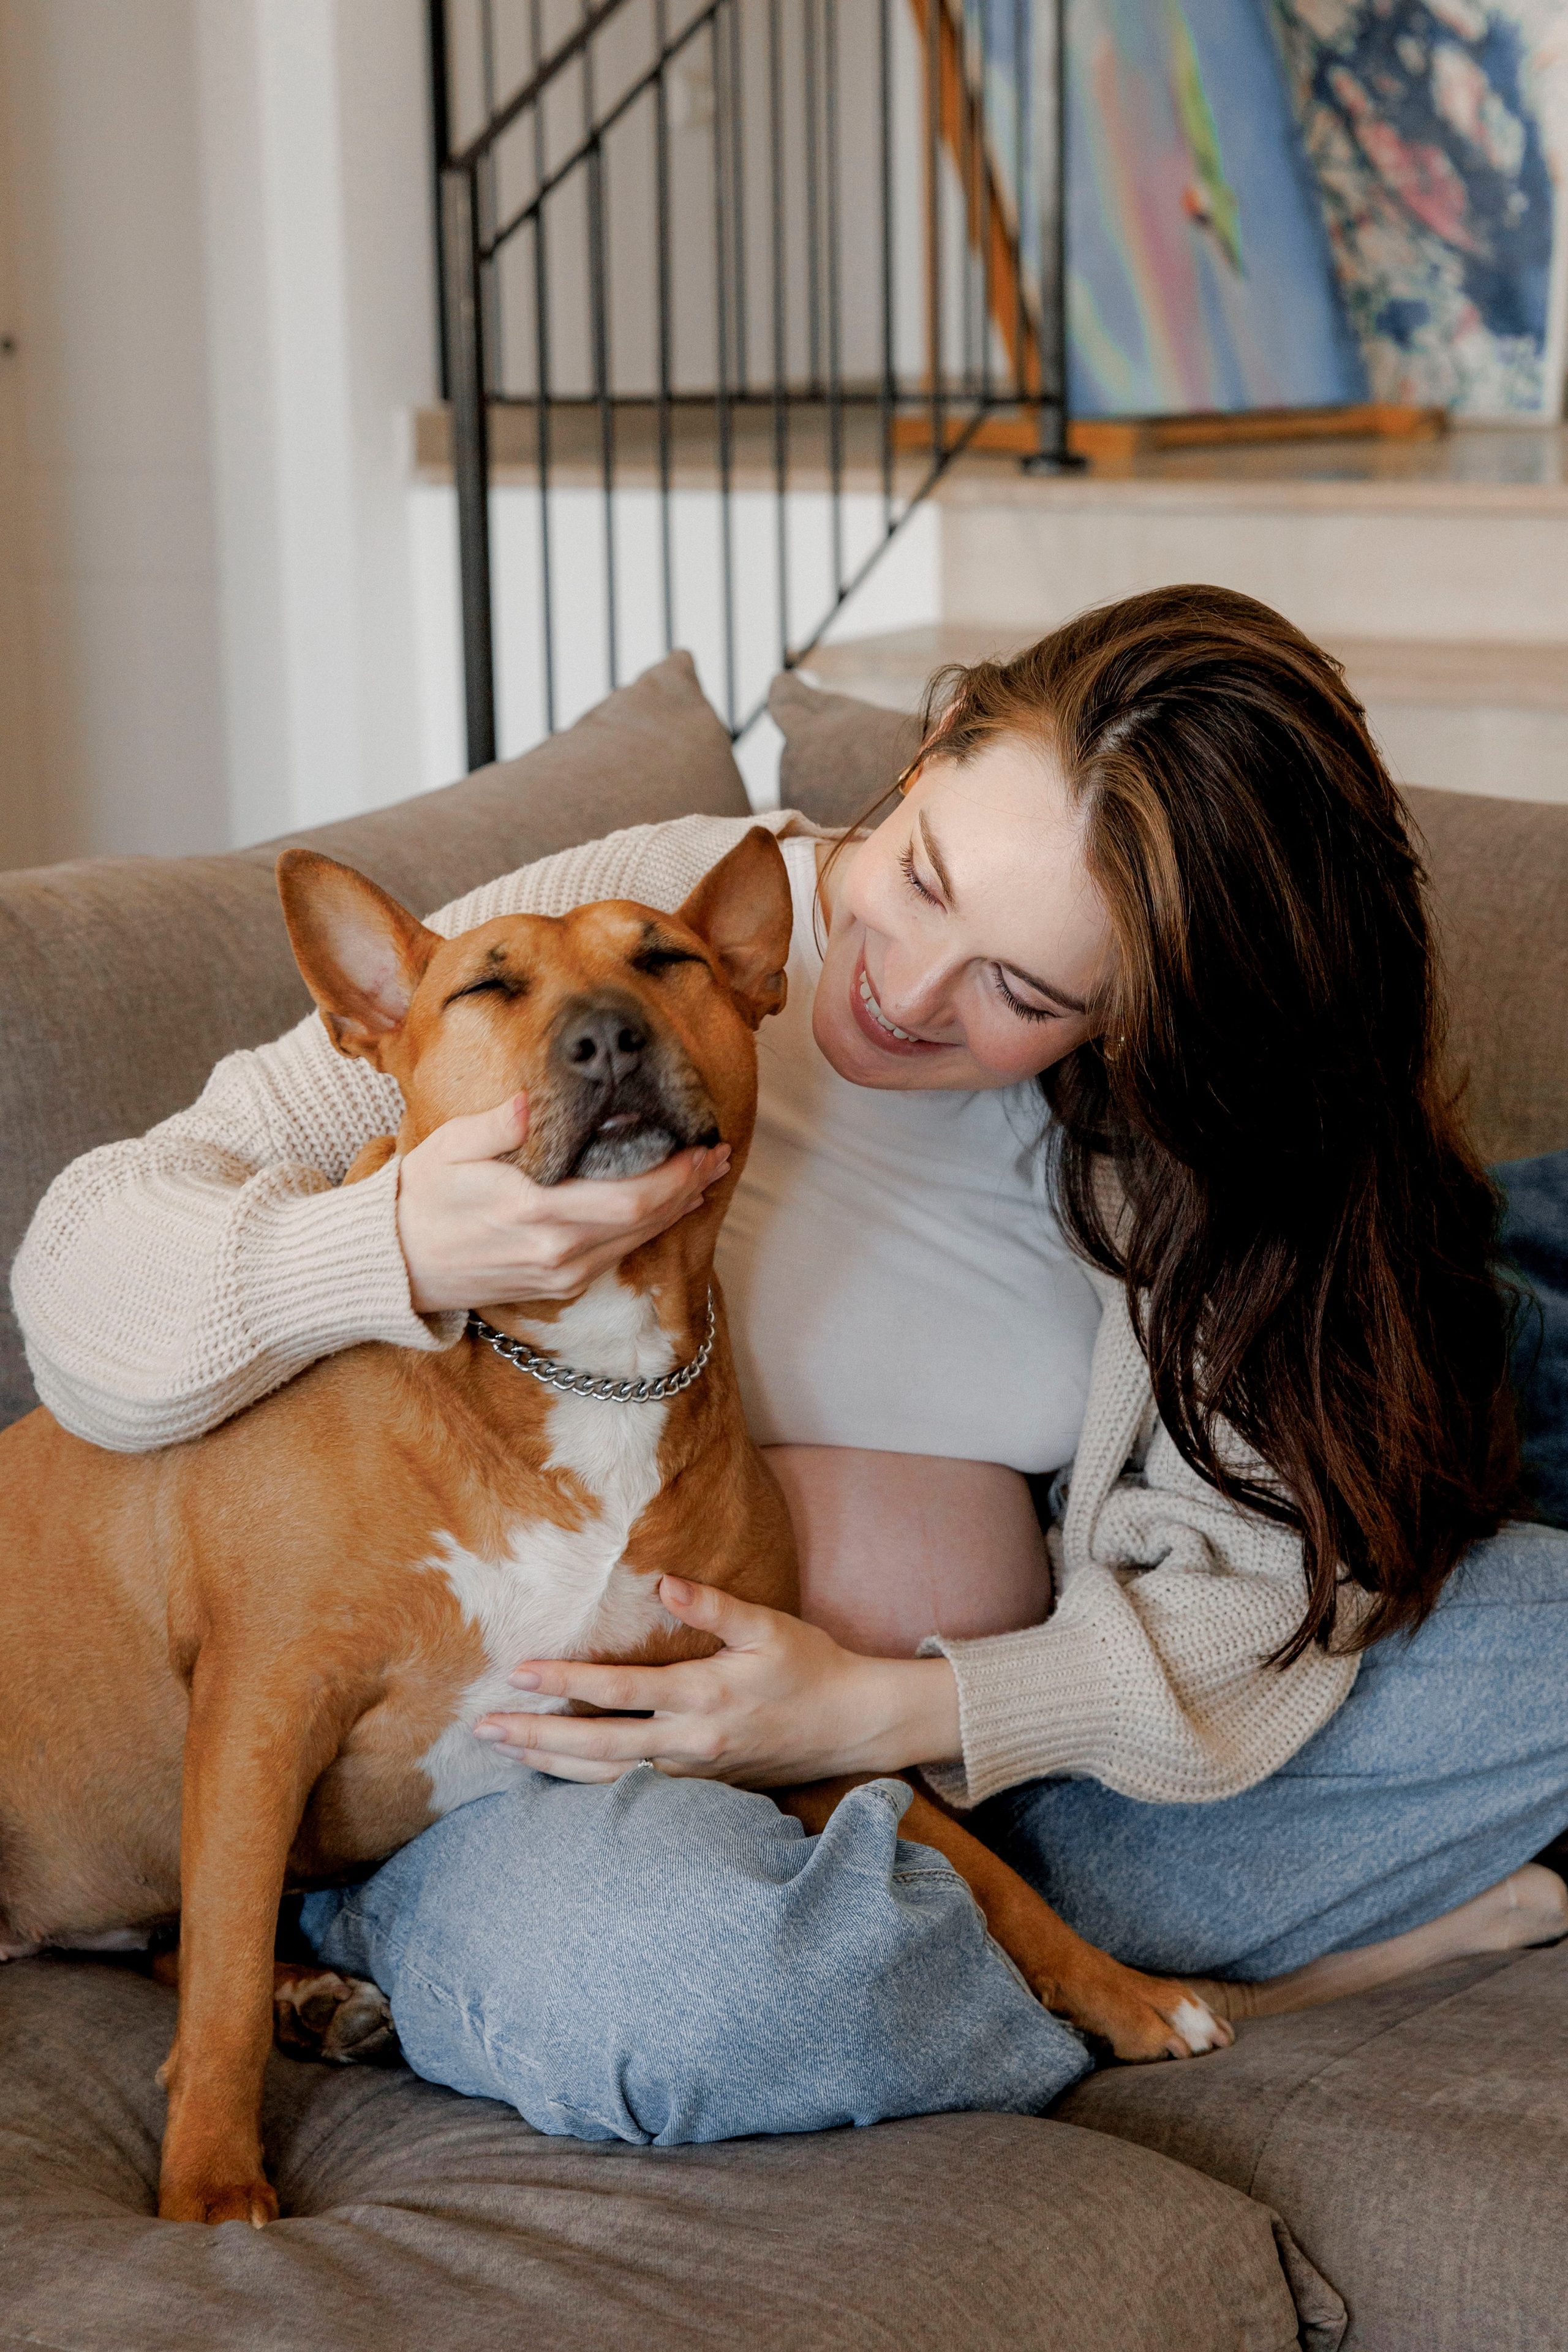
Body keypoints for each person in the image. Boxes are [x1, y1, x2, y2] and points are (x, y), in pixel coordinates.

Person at [15, 586, 1568, 2147]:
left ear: (1148, 1018)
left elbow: (1266, 1578)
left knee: (1533, 1632)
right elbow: (86, 1288)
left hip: (998, 1761)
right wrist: (395, 1245)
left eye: (1021, 991)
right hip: (540, 1781)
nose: (904, 985)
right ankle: (1092, 1986)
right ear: (929, 748)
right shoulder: (625, 937)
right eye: (920, 876)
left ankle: (988, 1943)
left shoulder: (1180, 1165)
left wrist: (880, 1713)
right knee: (700, 1978)